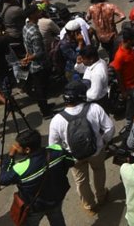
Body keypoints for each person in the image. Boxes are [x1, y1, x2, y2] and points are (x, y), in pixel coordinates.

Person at [48, 81, 115, 215]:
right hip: (96, 150)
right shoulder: (95, 108)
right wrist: (103, 141)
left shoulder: (57, 120)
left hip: (74, 157)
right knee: (99, 170)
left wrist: (65, 156)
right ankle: (101, 196)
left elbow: (53, 145)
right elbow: (110, 128)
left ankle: (90, 206)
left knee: (81, 181)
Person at [0, 129, 74, 226]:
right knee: (57, 220)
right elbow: (71, 162)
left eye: (17, 147)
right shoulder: (57, 150)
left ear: (27, 150)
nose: (15, 148)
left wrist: (10, 157)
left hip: (35, 207)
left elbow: (3, 179)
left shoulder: (21, 168)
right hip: (56, 198)